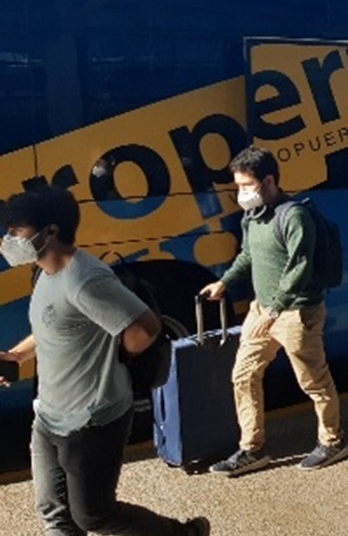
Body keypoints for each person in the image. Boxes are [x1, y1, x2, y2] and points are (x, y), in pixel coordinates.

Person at [0, 186, 209, 536]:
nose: (8, 239)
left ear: (50, 232)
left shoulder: (85, 279)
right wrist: (17, 355)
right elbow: (56, 324)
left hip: (91, 422)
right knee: (54, 512)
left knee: (93, 516)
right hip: (49, 415)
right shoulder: (44, 273)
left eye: (15, 232)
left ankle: (182, 534)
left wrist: (114, 361)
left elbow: (146, 327)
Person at [200, 146, 348, 476]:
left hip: (297, 313)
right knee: (243, 375)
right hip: (263, 310)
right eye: (237, 186)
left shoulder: (294, 215)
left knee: (313, 380)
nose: (241, 193)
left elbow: (301, 266)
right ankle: (250, 449)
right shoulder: (252, 217)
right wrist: (223, 282)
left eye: (245, 185)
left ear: (268, 181)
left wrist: (275, 310)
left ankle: (332, 441)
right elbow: (248, 255)